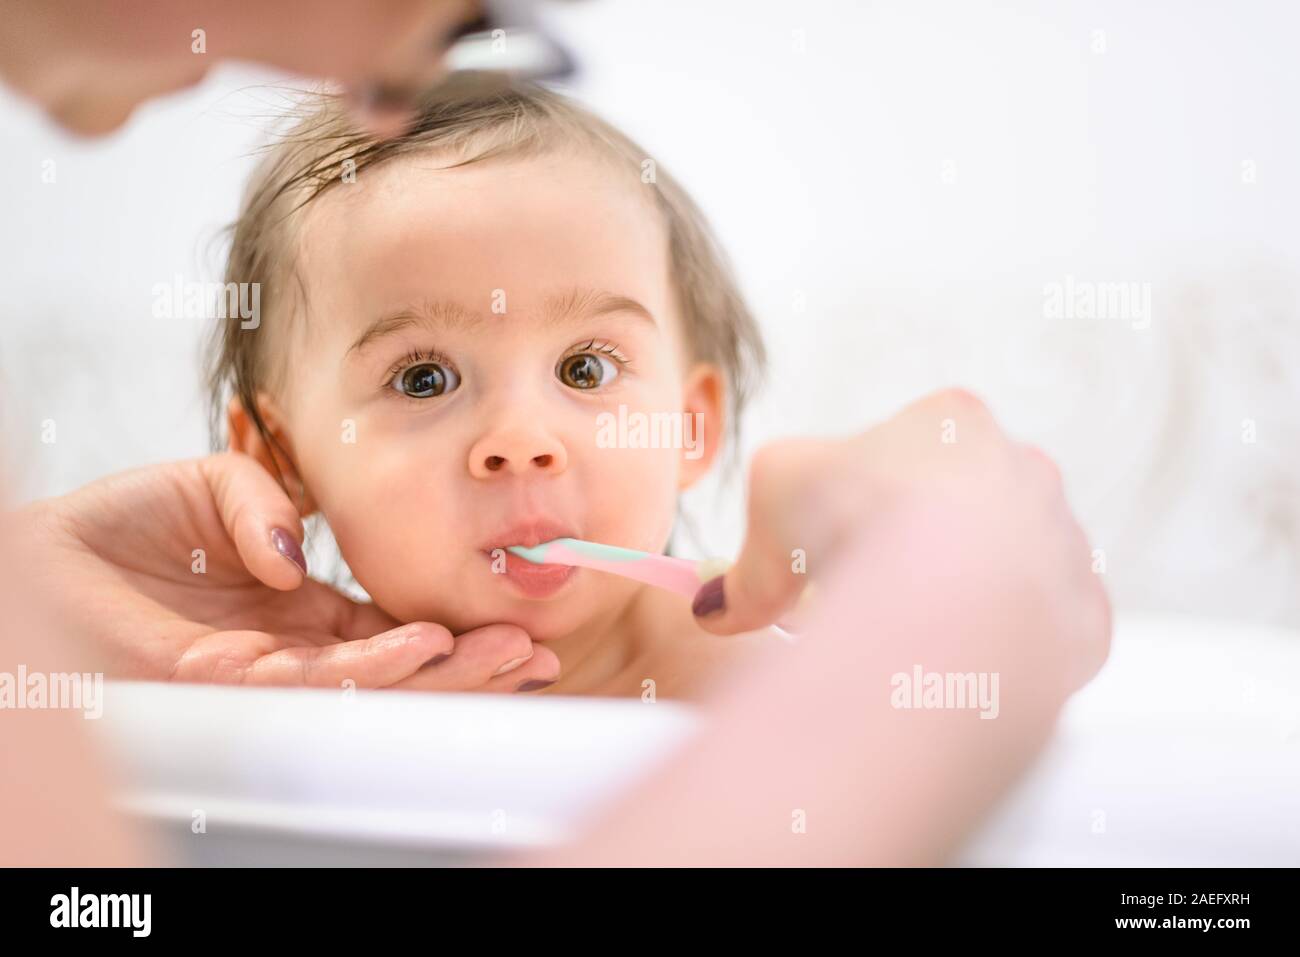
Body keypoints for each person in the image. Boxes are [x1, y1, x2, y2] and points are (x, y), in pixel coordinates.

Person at [0, 0, 1111, 865]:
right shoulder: (250, 701)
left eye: (586, 367)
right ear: (280, 463)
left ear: (693, 424)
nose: (520, 440)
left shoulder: (754, 679)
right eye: (425, 375)